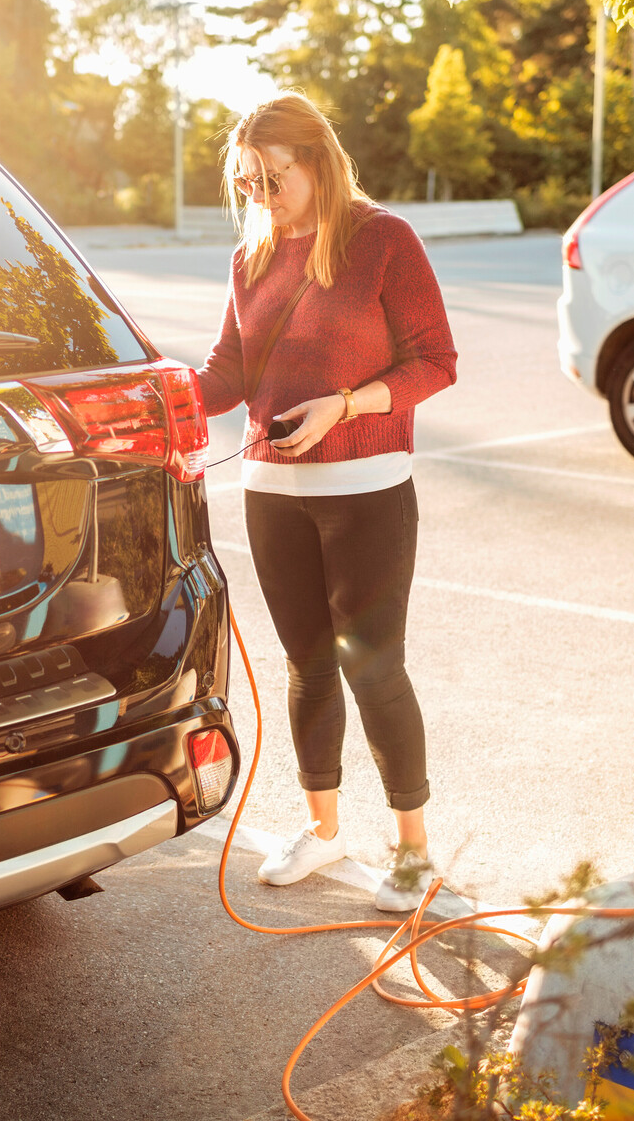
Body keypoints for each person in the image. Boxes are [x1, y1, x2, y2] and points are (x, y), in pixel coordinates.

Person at [194, 91, 458, 912]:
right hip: (270, 491)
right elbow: (227, 374)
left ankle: (413, 851)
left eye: (274, 179)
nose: (261, 199)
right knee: (306, 663)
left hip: (367, 489)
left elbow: (436, 363)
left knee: (373, 666)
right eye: (247, 184)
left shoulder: (384, 241)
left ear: (318, 162)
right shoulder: (252, 257)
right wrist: (155, 400)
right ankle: (323, 827)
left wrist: (345, 404)